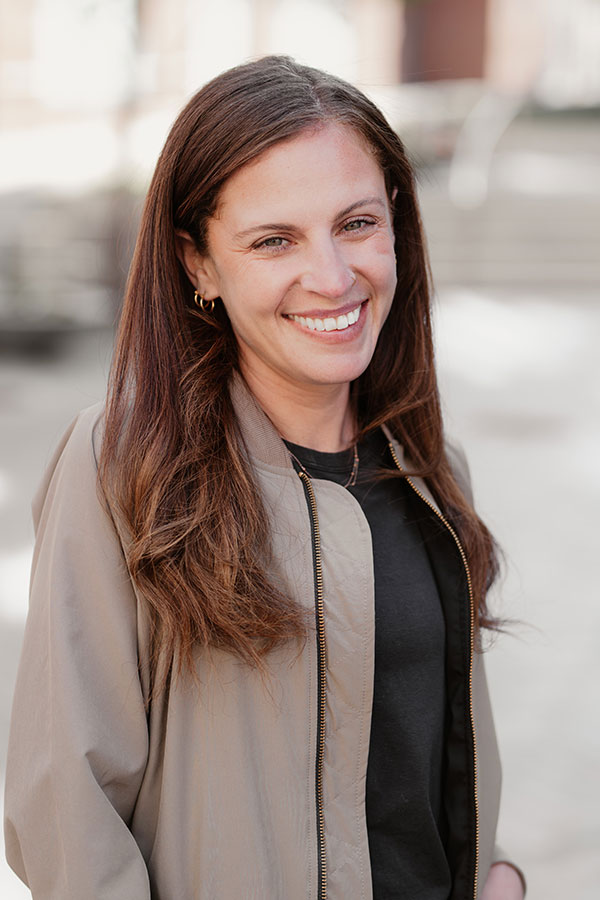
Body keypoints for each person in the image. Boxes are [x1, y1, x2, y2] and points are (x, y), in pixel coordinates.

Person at [4, 56, 525, 899]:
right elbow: (67, 818)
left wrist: (497, 872)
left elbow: (435, 757)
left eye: (355, 223)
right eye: (274, 240)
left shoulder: (431, 469)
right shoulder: (123, 468)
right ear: (198, 264)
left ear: (396, 223)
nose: (331, 276)